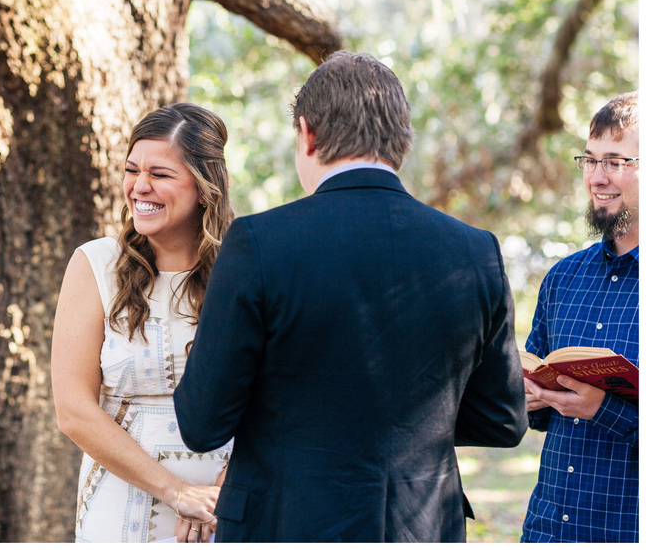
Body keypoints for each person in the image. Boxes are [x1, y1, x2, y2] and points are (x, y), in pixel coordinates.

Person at [174, 51, 528, 542]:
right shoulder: (474, 251)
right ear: (403, 139)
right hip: (419, 528)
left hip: (287, 523)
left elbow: (202, 423)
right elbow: (503, 420)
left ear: (308, 134)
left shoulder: (259, 243)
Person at [51, 103, 235, 543]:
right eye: (132, 170)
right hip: (118, 504)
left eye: (161, 174)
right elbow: (73, 410)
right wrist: (177, 493)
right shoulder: (94, 264)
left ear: (205, 187)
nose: (140, 186)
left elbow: (277, 400)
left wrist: (217, 497)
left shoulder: (246, 267)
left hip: (226, 506)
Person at [521, 92, 639, 543]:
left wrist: (602, 410)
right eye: (589, 161)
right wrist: (528, 397)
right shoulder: (562, 278)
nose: (595, 177)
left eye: (614, 161)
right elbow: (535, 407)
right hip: (548, 528)